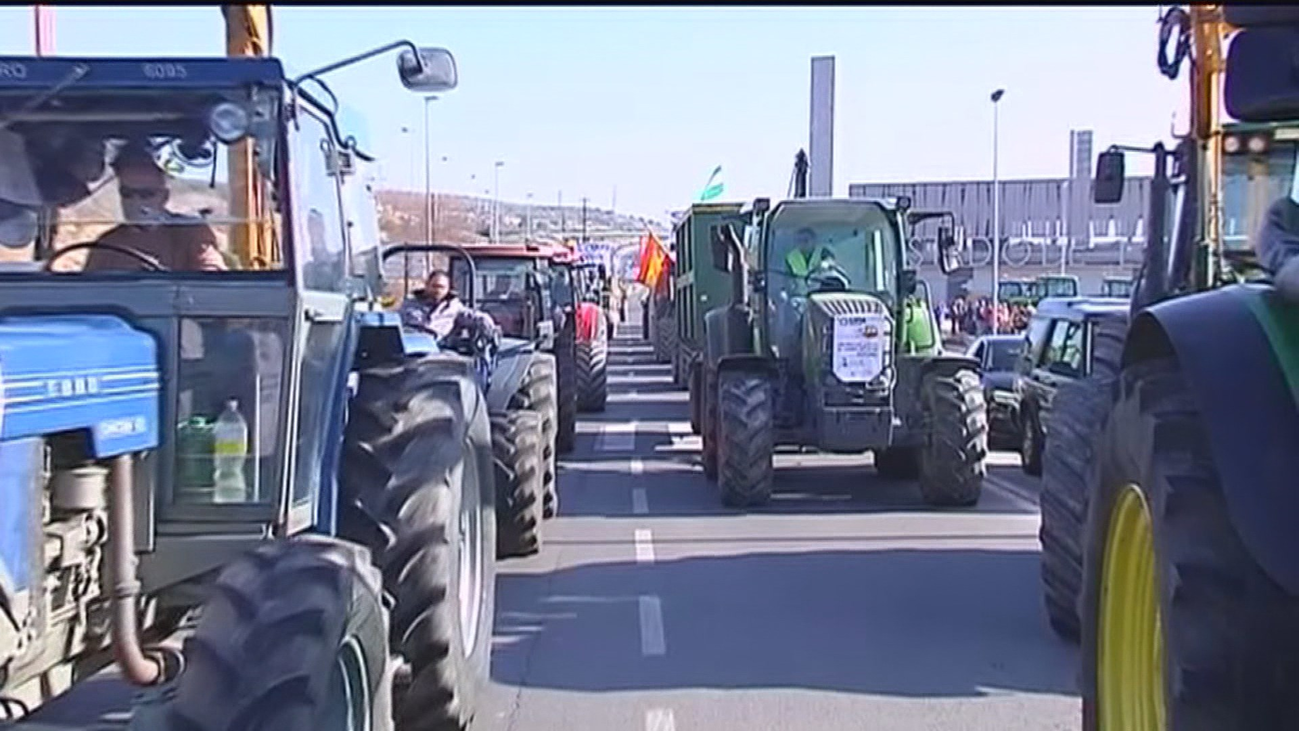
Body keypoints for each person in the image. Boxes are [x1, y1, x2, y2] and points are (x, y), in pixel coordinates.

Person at [84, 142, 227, 273]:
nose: (136, 201)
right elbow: (88, 287)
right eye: (127, 193)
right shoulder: (108, 244)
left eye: (146, 194)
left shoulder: (190, 232)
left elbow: (212, 276)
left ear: (164, 196)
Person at [400, 269, 468, 340]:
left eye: (441, 287)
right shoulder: (410, 304)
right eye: (434, 286)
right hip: (412, 340)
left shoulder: (454, 307)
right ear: (427, 285)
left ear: (448, 289)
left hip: (439, 343)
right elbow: (399, 322)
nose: (437, 290)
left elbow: (472, 318)